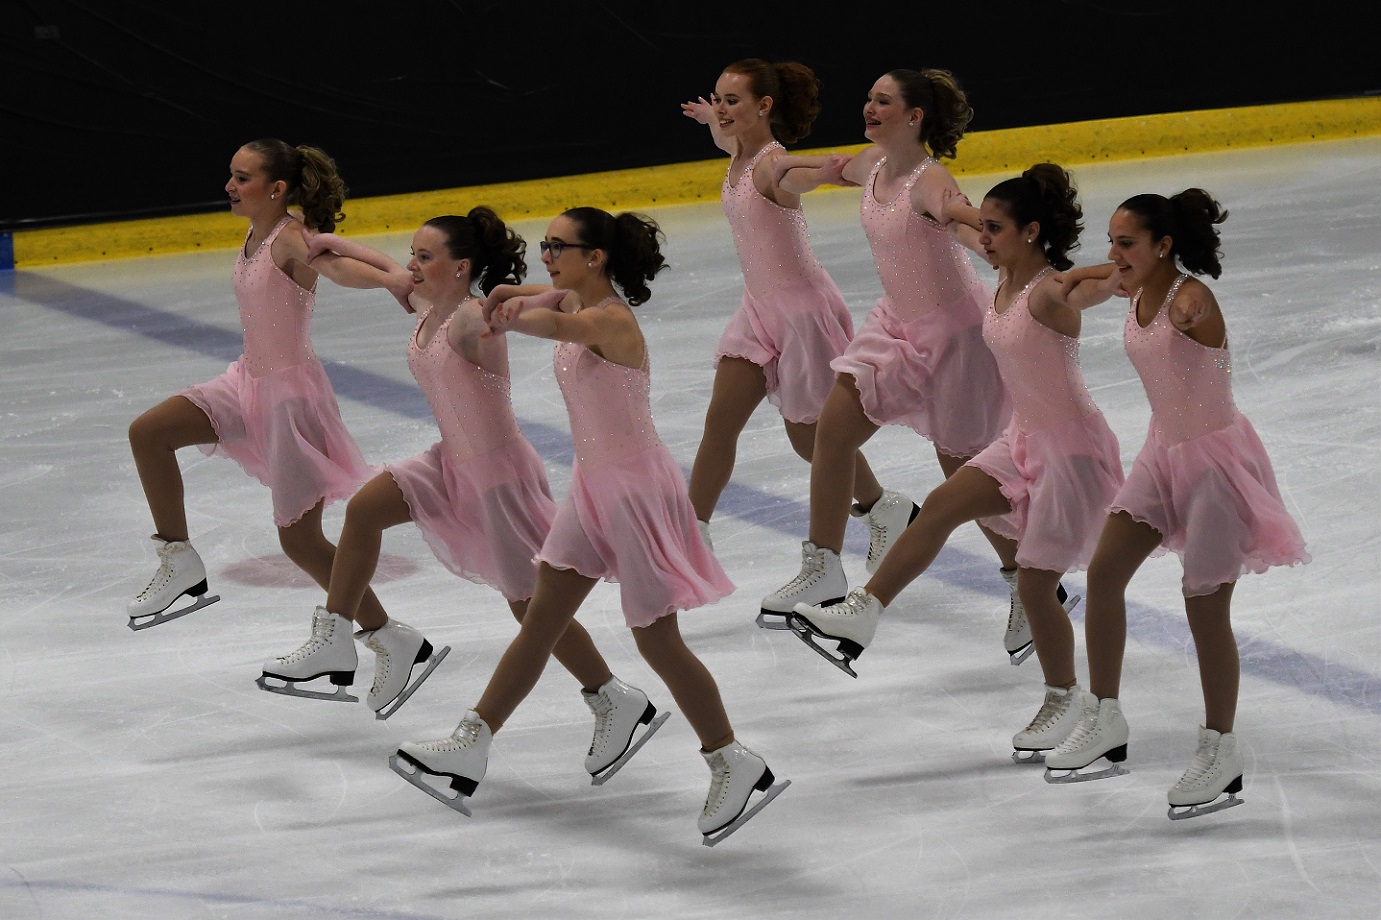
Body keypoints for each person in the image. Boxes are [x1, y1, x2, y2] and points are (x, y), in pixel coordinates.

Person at [392, 207, 788, 843]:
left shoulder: (606, 320)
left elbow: (554, 321)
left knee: (658, 639)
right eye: (544, 244)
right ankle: (471, 745)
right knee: (539, 614)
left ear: (595, 256)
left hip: (634, 492)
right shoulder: (574, 293)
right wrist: (504, 295)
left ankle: (732, 760)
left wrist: (517, 312)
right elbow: (536, 297)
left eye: (559, 246)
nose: (546, 254)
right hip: (593, 489)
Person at [257, 211, 656, 743]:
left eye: (425, 257)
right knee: (364, 510)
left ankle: (611, 696)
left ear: (460, 266)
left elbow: (527, 312)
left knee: (529, 607)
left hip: (498, 477)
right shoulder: (428, 305)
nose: (412, 266)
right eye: (413, 254)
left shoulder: (469, 317)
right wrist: (337, 249)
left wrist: (528, 303)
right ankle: (345, 637)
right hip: (449, 463)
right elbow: (364, 274)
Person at [791, 165, 1125, 762]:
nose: (983, 236)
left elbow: (1095, 283)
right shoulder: (1000, 280)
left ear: (1030, 232)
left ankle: (1067, 698)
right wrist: (943, 209)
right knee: (942, 506)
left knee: (1035, 579)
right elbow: (958, 224)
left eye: (995, 229)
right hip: (1023, 439)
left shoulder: (1051, 289)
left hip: (1070, 453)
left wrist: (1137, 271)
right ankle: (862, 614)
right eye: (984, 229)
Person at [763, 69, 1060, 656]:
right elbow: (815, 169)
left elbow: (961, 217)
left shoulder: (930, 181)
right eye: (868, 97)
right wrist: (765, 164)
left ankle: (1029, 587)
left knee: (966, 479)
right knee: (833, 429)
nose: (869, 107)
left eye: (883, 101)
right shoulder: (871, 166)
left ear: (915, 116)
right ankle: (822, 563)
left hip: (955, 342)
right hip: (896, 326)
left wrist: (1004, 245)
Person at [1043, 190, 1310, 819]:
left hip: (1216, 466)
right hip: (1163, 455)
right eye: (1112, 241)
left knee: (1205, 609)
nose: (1114, 253)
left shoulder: (1192, 297)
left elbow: (1193, 306)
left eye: (1126, 242)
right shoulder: (1131, 284)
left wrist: (1189, 309)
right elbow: (1084, 278)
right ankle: (1105, 717)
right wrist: (1082, 276)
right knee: (1105, 575)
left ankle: (1221, 751)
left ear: (1164, 246)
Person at [126, 139, 395, 630]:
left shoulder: (291, 238)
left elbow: (337, 267)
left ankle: (388, 636)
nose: (230, 186)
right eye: (231, 174)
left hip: (289, 400)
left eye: (243, 178)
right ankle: (179, 559)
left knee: (301, 542)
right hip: (245, 382)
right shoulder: (256, 234)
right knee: (149, 433)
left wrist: (395, 279)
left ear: (276, 189)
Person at [679, 59, 886, 574]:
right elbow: (724, 140)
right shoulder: (737, 150)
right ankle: (688, 540)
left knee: (809, 440)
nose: (724, 110)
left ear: (764, 106)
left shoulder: (775, 167)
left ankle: (883, 509)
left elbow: (815, 173)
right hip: (759, 310)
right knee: (718, 423)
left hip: (802, 314)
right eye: (719, 98)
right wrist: (712, 120)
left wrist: (852, 168)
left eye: (734, 102)